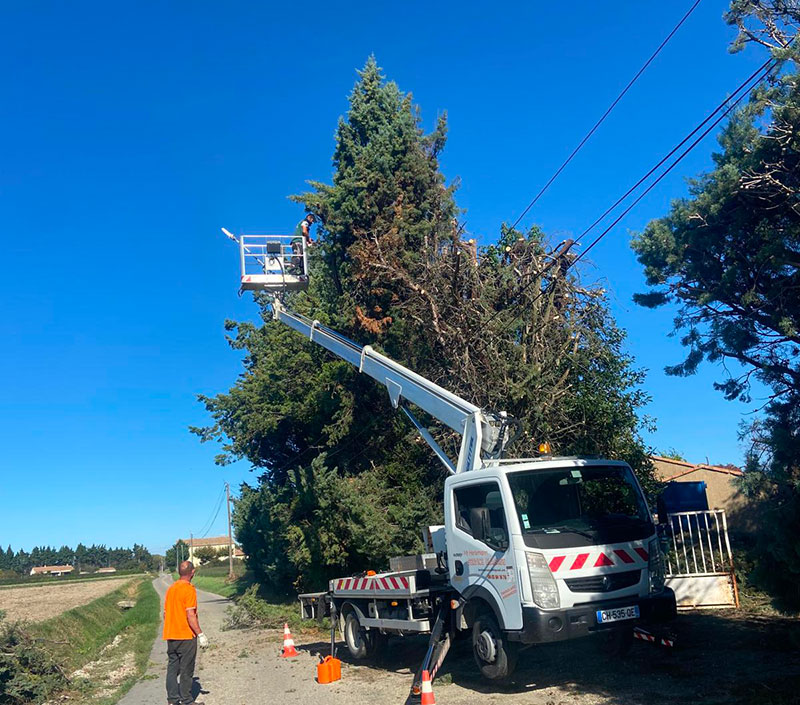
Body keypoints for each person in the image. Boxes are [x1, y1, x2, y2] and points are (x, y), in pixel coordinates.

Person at [163, 560, 208, 705]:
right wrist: (200, 634)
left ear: (178, 572)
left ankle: (172, 700)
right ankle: (187, 700)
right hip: (186, 635)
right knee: (186, 669)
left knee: (172, 668)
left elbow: (165, 614)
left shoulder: (171, 589)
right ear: (192, 572)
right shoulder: (189, 589)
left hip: (171, 634)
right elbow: (190, 615)